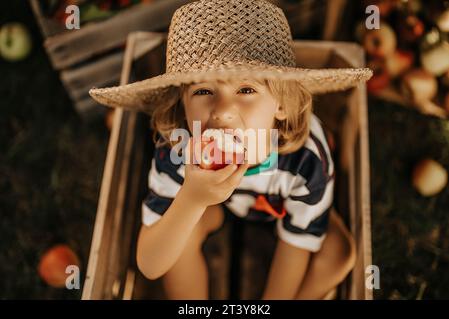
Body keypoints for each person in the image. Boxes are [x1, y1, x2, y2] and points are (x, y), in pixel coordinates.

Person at [89, 0, 372, 299]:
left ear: (281, 105)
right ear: (183, 107)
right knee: (179, 234)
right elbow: (150, 264)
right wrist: (192, 200)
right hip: (216, 207)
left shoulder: (306, 159)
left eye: (246, 90)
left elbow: (297, 247)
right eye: (203, 91)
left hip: (285, 210)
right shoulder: (177, 148)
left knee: (338, 254)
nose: (223, 110)